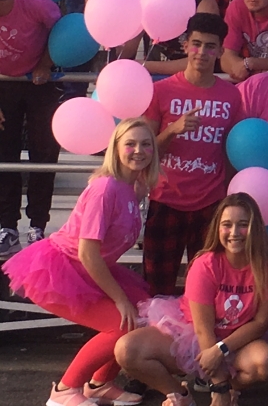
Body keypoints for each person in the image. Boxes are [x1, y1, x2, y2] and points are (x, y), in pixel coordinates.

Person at [3, 118, 159, 406]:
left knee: (144, 312)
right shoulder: (105, 189)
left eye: (146, 144)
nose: (139, 150)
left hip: (92, 267)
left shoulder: (133, 186)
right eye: (130, 144)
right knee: (123, 324)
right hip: (64, 268)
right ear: (116, 148)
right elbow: (88, 253)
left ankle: (100, 383)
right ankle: (64, 391)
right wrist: (120, 299)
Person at [115, 193, 268, 406]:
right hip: (192, 334)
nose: (234, 233)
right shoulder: (205, 264)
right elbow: (203, 330)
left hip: (239, 339)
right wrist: (218, 384)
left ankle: (232, 389)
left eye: (243, 224)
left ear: (256, 228)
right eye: (227, 225)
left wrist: (221, 355)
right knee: (126, 349)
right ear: (218, 228)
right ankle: (179, 395)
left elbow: (261, 323)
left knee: (266, 362)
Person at [142, 13, 243, 296]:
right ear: (186, 46)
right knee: (156, 289)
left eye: (210, 46)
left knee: (207, 290)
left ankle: (200, 341)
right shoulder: (160, 91)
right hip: (165, 200)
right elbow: (146, 153)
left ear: (221, 51)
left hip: (210, 205)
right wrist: (173, 129)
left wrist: (229, 197)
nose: (202, 52)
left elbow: (232, 152)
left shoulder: (231, 96)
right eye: (196, 44)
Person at [0, 0, 61, 255]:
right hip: (3, 85)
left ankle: (38, 224)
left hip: (38, 83)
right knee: (3, 154)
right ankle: (7, 226)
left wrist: (46, 63)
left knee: (44, 152)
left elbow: (63, 33)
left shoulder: (35, 2)